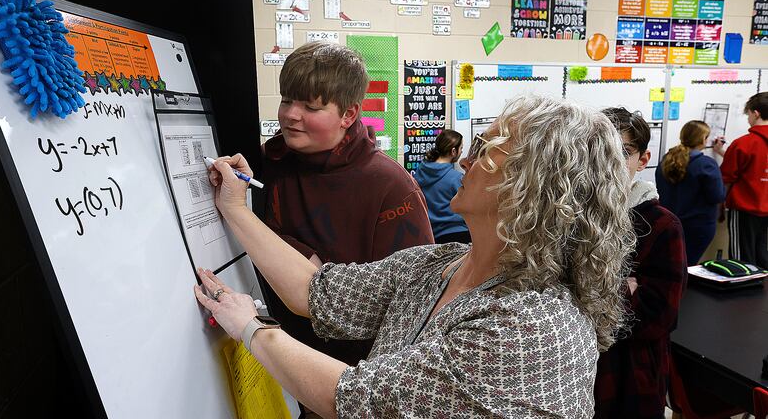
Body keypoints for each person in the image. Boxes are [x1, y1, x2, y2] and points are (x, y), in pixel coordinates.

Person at [195, 95, 636, 418]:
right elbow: (317, 292)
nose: (465, 162)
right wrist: (235, 208)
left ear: (532, 186)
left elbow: (352, 398)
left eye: (486, 149)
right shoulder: (440, 264)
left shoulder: (532, 325)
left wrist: (252, 328)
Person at [259, 41, 434, 367]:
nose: (291, 116)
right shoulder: (271, 162)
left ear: (349, 114)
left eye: (311, 108)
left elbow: (416, 298)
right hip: (275, 349)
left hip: (348, 371)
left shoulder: (391, 186)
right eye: (286, 101)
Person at [594, 107, 687, 419]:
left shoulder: (661, 224)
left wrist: (587, 291)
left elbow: (657, 314)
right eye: (599, 149)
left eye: (623, 152)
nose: (608, 161)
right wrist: (623, 287)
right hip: (576, 369)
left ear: (642, 160)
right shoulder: (570, 217)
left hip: (629, 375)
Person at [655, 120, 725, 265]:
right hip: (698, 227)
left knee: (672, 265)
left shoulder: (666, 161)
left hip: (669, 224)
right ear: (702, 140)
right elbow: (717, 196)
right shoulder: (706, 164)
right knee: (687, 265)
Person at [714, 92, 768, 268]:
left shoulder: (743, 143)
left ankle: (744, 293)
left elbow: (728, 178)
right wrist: (723, 153)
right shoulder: (745, 145)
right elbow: (758, 163)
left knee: (742, 259)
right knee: (763, 255)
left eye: (749, 115)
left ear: (756, 113)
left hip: (745, 210)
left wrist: (721, 205)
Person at [413, 129, 470, 243]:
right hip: (458, 235)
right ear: (453, 151)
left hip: (431, 236)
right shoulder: (457, 178)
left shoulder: (419, 173)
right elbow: (468, 208)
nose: (461, 152)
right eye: (461, 148)